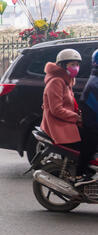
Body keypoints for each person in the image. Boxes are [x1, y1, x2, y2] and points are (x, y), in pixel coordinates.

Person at [40, 48, 94, 187]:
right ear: (63, 65)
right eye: (72, 64)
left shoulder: (67, 81)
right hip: (58, 126)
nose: (76, 67)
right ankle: (79, 175)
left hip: (65, 123)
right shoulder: (56, 82)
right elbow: (56, 109)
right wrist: (77, 118)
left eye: (77, 64)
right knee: (90, 141)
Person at [77, 49, 98, 184]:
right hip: (92, 125)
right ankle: (81, 175)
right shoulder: (95, 82)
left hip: (92, 122)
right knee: (89, 146)